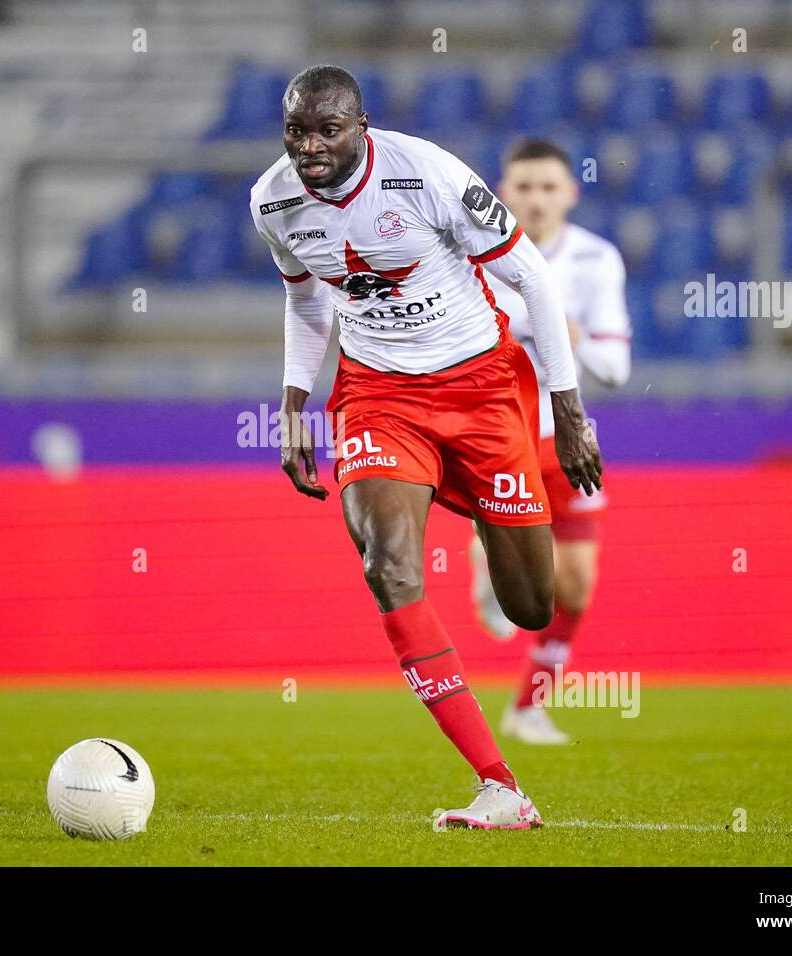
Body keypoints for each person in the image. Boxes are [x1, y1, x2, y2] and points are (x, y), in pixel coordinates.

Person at [249, 66, 603, 830]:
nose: (310, 147)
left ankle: (485, 529)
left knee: (532, 606)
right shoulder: (272, 200)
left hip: (481, 390)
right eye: (296, 131)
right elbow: (305, 299)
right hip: (379, 395)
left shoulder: (427, 174)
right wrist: (292, 405)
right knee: (387, 563)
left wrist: (568, 412)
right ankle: (499, 784)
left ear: (361, 126)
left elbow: (532, 278)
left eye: (327, 130)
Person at [470, 139, 632, 746]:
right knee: (522, 558)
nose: (536, 200)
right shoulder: (475, 257)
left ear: (571, 192)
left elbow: (616, 368)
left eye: (548, 187)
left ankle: (527, 708)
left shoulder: (596, 260)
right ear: (502, 193)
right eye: (523, 188)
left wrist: (572, 336)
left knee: (577, 586)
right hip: (496, 434)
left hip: (567, 440)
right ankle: (485, 552)